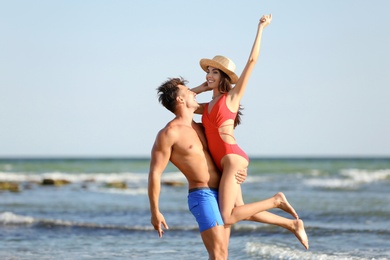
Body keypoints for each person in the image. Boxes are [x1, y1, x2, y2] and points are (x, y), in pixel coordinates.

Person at [149, 78, 309, 259]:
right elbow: (155, 173)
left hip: (224, 191)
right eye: (189, 90)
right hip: (203, 195)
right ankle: (276, 203)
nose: (194, 92)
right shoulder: (169, 133)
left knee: (222, 255)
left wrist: (238, 168)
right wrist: (155, 211)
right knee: (218, 254)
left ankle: (291, 224)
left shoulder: (202, 127)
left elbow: (225, 150)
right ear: (179, 99)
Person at [192, 14, 309, 250]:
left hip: (232, 159)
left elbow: (253, 60)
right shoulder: (206, 107)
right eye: (209, 71)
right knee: (240, 212)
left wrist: (261, 28)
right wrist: (200, 88)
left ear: (224, 77)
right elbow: (181, 101)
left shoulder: (231, 99)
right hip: (226, 163)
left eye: (215, 73)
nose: (210, 75)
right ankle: (292, 225)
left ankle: (276, 200)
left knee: (227, 217)